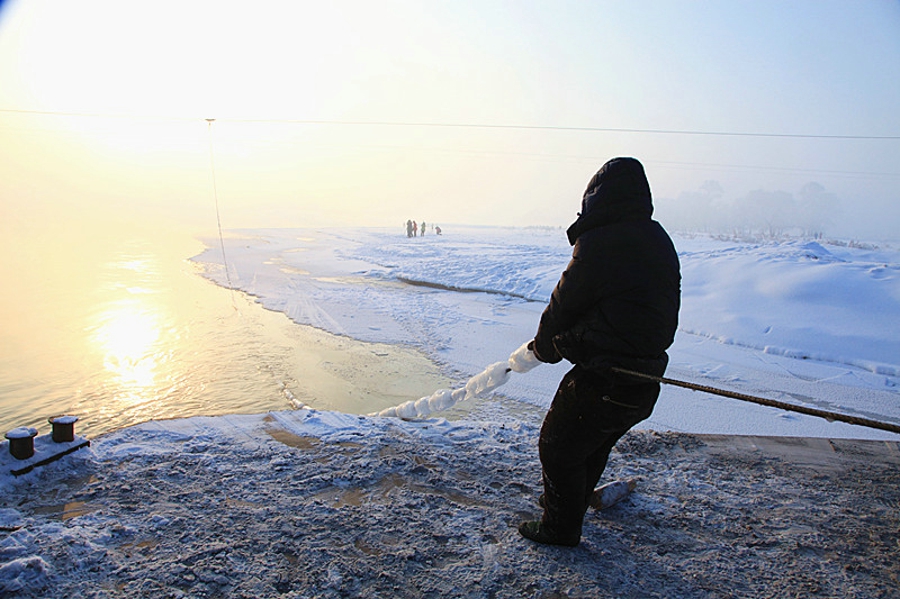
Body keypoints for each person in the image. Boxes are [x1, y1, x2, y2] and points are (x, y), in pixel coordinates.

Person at [519, 157, 681, 547]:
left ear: (596, 198)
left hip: (607, 375)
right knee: (590, 445)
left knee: (557, 446)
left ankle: (560, 528)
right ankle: (566, 503)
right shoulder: (658, 239)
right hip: (645, 379)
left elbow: (564, 302)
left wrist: (544, 346)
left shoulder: (602, 242)